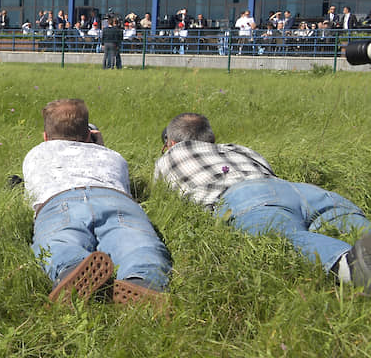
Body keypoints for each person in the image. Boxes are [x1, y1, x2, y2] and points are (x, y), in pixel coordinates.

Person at [155, 113, 371, 295]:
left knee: (283, 236)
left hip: (249, 196)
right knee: (349, 222)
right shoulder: (240, 149)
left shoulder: (171, 155)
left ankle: (349, 266)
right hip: (300, 190)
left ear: (171, 143)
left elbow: (161, 194)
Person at [23, 99, 170, 305]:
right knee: (136, 242)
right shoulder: (113, 156)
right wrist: (100, 145)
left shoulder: (36, 154)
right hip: (115, 199)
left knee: (58, 241)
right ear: (89, 135)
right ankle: (143, 281)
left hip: (59, 201)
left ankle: (72, 269)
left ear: (46, 137)